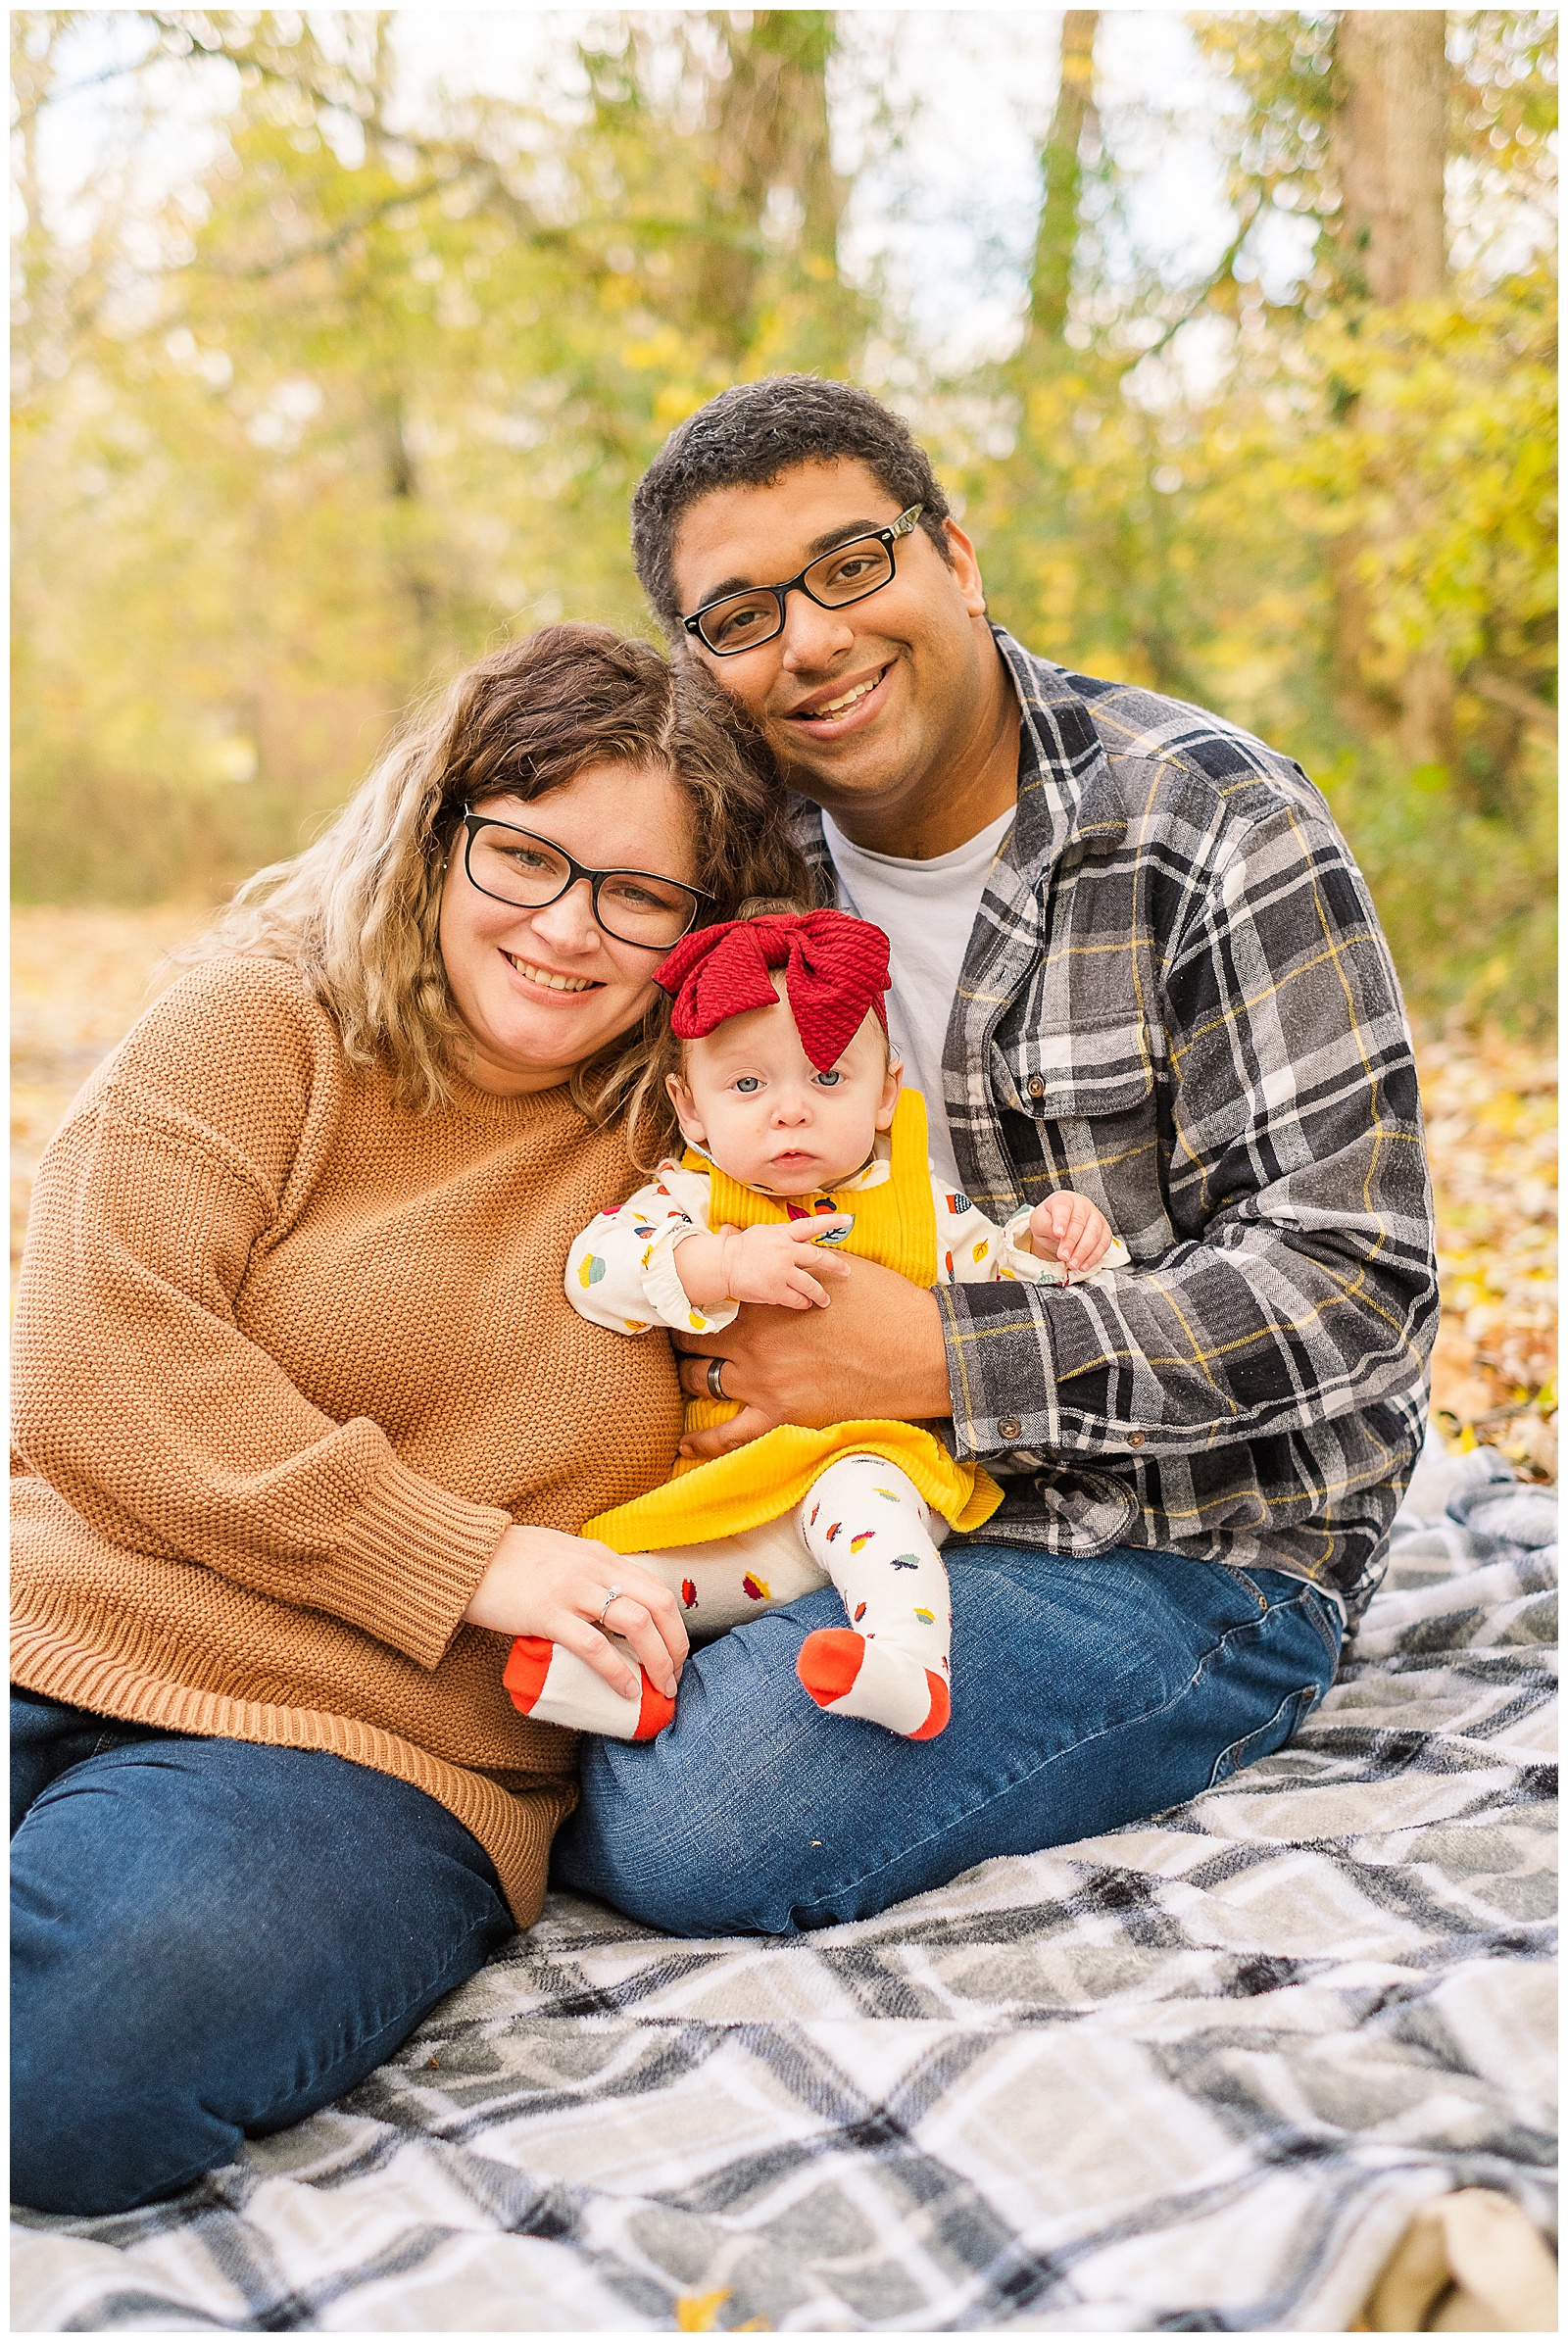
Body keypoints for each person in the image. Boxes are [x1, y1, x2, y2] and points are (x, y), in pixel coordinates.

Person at [546, 374, 1438, 1936]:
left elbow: (1356, 1286)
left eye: (849, 564)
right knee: (545, 1692)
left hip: (1189, 1541)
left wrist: (943, 1353)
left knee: (700, 1803)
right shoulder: (742, 860)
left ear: (955, 558)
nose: (810, 638)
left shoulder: (1207, 818)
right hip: (798, 1496)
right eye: (741, 613)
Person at [9, 622, 804, 2217]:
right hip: (57, 1613)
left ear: (707, 925)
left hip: (374, 1751)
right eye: (524, 856)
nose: (566, 931)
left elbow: (838, 1392)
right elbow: (99, 1353)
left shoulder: (716, 1148)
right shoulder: (266, 1019)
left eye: (640, 895)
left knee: (69, 2071)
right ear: (438, 830)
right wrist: (463, 1556)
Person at [508, 904, 1122, 1742]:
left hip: (880, 1465)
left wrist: (1048, 1245)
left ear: (885, 1094)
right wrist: (716, 1265)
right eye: (748, 1085)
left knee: (863, 1507)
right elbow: (594, 1272)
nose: (788, 1111)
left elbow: (1003, 1289)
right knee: (632, 1578)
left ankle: (907, 1663)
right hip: (737, 1496)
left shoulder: (922, 1201)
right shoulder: (688, 1200)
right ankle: (621, 1690)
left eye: (827, 1077)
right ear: (690, 1110)